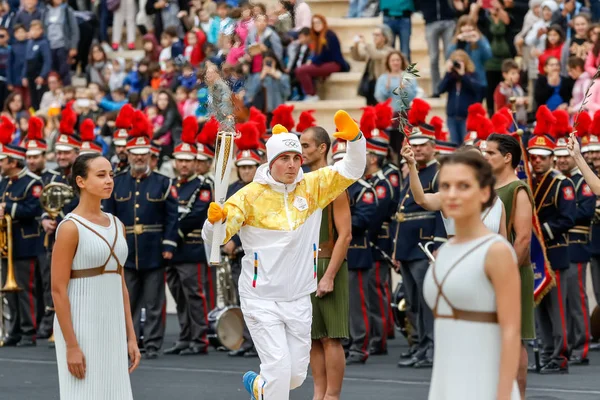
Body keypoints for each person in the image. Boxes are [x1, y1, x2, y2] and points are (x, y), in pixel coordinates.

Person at [202, 110, 366, 400]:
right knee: (278, 369)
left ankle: (259, 387)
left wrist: (355, 139)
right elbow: (216, 237)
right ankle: (268, 387)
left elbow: (352, 170)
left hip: (300, 297)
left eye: (296, 158)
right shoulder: (249, 195)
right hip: (260, 298)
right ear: (271, 161)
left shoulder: (313, 186)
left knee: (294, 377)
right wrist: (213, 222)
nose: (291, 165)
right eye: (284, 159)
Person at [424, 150, 521, 400]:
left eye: (463, 185)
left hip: (484, 386)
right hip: (444, 385)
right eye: (445, 186)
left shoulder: (497, 251)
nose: (452, 194)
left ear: (484, 192)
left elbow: (511, 332)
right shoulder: (444, 250)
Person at [51, 153, 140, 399]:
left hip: (112, 325)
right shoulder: (70, 228)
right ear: (81, 181)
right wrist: (71, 345)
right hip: (81, 326)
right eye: (100, 175)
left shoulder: (117, 224)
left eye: (110, 175)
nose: (109, 180)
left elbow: (121, 284)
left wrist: (131, 337)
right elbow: (58, 289)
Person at [102, 110, 179, 360]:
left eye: (143, 155)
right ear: (128, 155)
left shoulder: (163, 183)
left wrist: (169, 244)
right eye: (134, 154)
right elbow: (109, 218)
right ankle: (130, 343)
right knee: (128, 302)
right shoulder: (117, 182)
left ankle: (154, 344)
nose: (138, 158)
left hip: (154, 249)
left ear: (150, 156)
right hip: (126, 251)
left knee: (155, 303)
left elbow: (171, 217)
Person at [300, 127, 351, 399]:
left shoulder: (335, 183)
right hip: (304, 267)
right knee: (312, 336)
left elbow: (345, 235)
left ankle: (332, 395)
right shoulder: (301, 185)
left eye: (307, 146)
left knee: (331, 337)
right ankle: (319, 393)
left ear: (322, 148)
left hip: (328, 262)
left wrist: (329, 275)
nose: (302, 151)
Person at [485, 133, 535, 398]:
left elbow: (524, 238)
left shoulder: (518, 189)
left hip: (511, 274)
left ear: (507, 158)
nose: (485, 157)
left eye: (490, 153)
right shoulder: (488, 188)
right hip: (487, 274)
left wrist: (505, 275)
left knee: (513, 340)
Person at [528, 120, 576, 374]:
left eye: (542, 157)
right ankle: (547, 353)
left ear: (551, 159)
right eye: (533, 157)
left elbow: (567, 218)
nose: (536, 161)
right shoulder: (529, 184)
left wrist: (540, 232)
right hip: (536, 257)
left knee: (557, 314)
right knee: (542, 313)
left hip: (555, 255)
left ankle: (560, 358)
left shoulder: (561, 184)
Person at [163, 117, 212, 356]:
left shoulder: (203, 186)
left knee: (194, 295)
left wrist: (173, 232)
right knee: (178, 295)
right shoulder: (170, 184)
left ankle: (200, 338)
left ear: (195, 163)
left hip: (190, 248)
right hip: (172, 250)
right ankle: (184, 336)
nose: (183, 165)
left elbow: (196, 215)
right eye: (179, 160)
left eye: (188, 161)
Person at [0, 117, 43, 347]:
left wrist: (8, 208)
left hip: (24, 243)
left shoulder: (32, 183)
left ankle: (29, 331)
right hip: (7, 245)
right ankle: (13, 330)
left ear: (13, 161)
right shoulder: (4, 183)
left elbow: (34, 208)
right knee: (10, 291)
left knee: (25, 290)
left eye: (2, 160)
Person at [553, 132, 594, 366]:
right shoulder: (558, 181)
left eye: (564, 156)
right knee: (562, 302)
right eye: (557, 156)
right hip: (560, 245)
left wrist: (564, 214)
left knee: (577, 302)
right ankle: (566, 345)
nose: (561, 160)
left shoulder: (580, 183)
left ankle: (582, 344)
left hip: (576, 245)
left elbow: (585, 211)